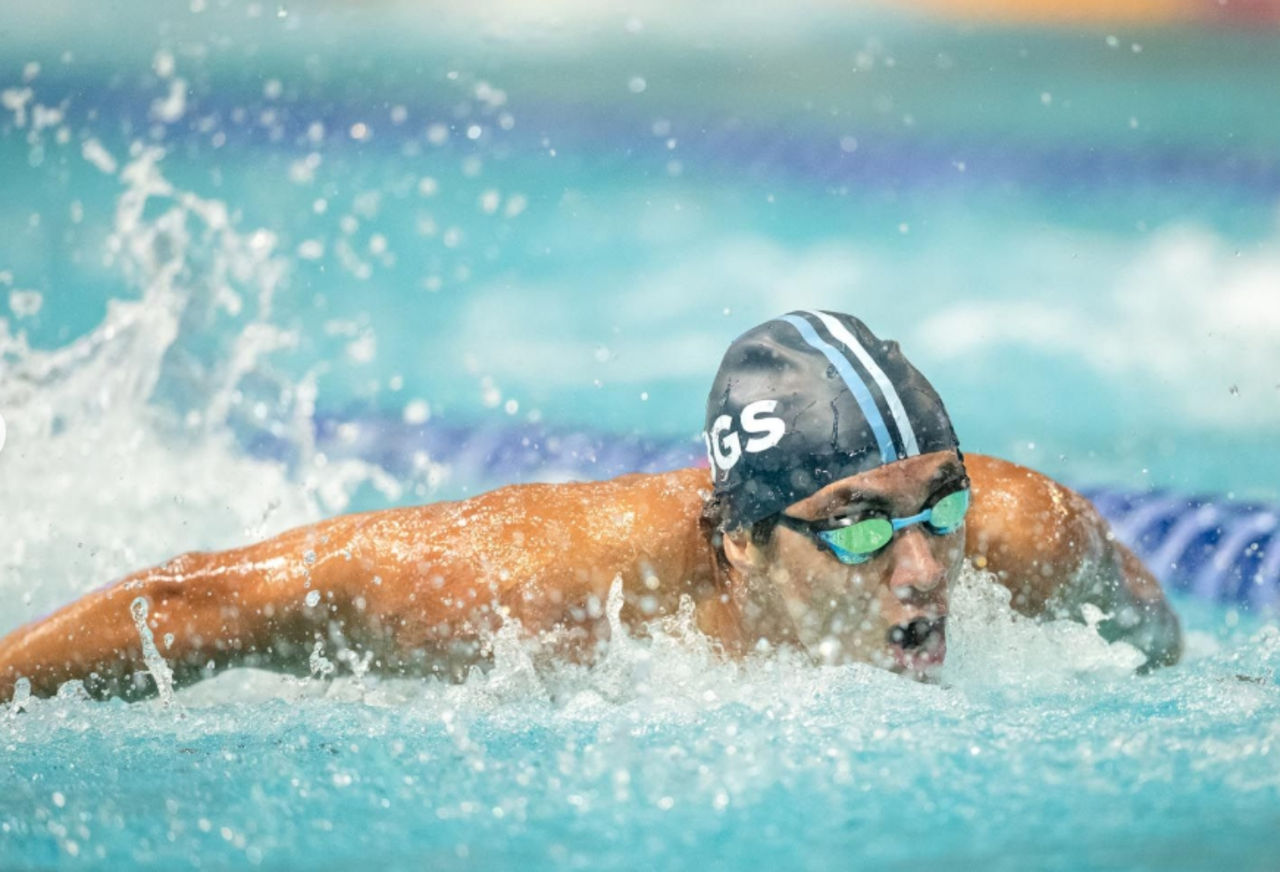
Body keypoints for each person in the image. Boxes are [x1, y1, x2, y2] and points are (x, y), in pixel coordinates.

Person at [0, 310, 1181, 701]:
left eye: (936, 505)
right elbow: (199, 600)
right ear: (739, 539)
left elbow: (1148, 632)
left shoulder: (1025, 533)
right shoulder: (542, 588)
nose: (919, 569)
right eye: (857, 521)